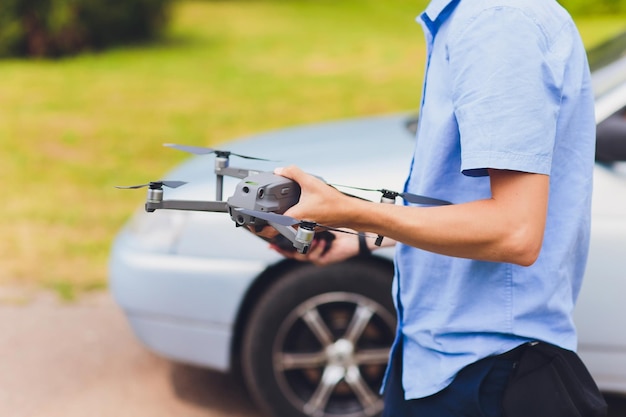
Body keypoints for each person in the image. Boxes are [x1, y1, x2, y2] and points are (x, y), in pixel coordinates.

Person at [260, 0, 604, 415]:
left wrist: (350, 211)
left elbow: (514, 232)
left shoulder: (498, 21)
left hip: (481, 373)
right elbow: (467, 204)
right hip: (453, 361)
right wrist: (363, 240)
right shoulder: (478, 19)